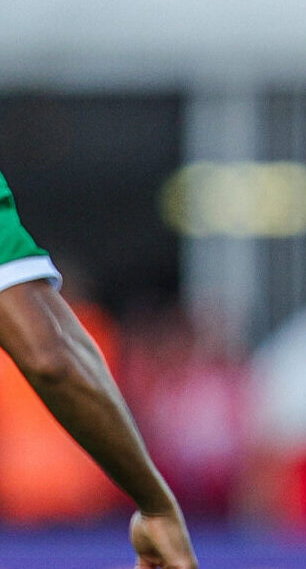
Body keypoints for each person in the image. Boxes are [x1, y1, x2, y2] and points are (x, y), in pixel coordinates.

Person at [0, 170, 197, 569]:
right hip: (73, 495)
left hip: (24, 496)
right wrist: (156, 505)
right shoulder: (91, 330)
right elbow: (53, 359)